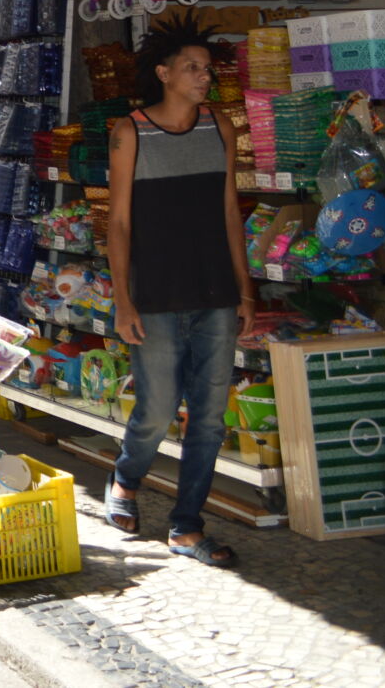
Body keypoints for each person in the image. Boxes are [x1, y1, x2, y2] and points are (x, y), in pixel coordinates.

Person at [105, 28, 254, 568]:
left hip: (214, 290)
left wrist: (245, 289)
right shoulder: (131, 132)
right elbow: (118, 223)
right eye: (193, 66)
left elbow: (230, 211)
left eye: (208, 68)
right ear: (163, 73)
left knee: (210, 418)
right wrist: (123, 300)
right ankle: (125, 479)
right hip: (157, 294)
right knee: (156, 409)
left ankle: (187, 526)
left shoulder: (221, 127)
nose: (205, 75)